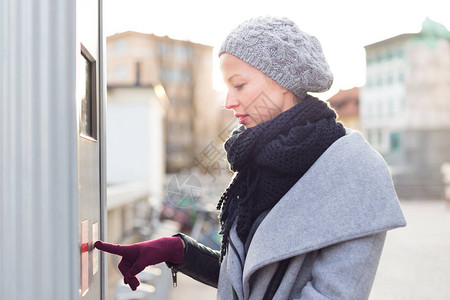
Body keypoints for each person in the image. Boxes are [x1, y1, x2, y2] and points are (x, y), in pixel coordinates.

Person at [95, 16, 406, 299]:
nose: (229, 101)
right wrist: (179, 251)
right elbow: (250, 281)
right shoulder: (256, 162)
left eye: (239, 85)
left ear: (283, 82)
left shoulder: (354, 171)